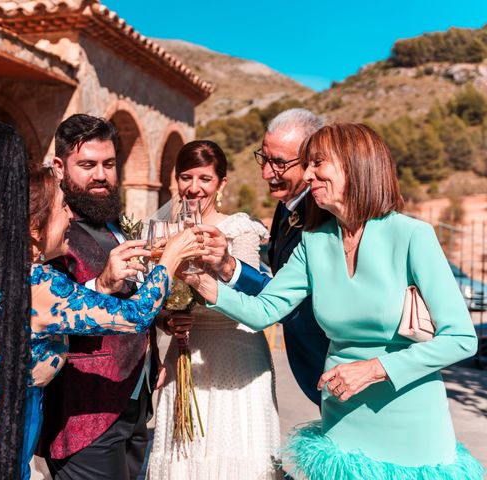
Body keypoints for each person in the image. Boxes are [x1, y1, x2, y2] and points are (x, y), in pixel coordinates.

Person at [188, 123, 484, 479]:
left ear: (355, 165)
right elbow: (264, 310)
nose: (308, 174)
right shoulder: (313, 242)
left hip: (410, 416)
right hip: (342, 416)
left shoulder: (412, 236)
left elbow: (461, 339)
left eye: (318, 163)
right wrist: (201, 283)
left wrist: (376, 368)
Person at [21, 166, 203, 479]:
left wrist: (105, 284)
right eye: (62, 207)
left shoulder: (2, 274)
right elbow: (136, 316)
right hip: (14, 423)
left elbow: (100, 311)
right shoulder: (39, 285)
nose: (70, 216)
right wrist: (169, 259)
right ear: (35, 229)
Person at [148, 140, 280, 479]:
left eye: (205, 179)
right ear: (175, 180)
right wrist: (167, 320)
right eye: (186, 177)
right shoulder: (160, 232)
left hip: (236, 353)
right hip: (184, 356)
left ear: (221, 183)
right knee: (184, 459)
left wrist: (210, 281)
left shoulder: (239, 230)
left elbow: (254, 300)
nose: (194, 188)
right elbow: (152, 302)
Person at [40, 114, 158, 480]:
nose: (101, 175)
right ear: (59, 167)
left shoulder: (114, 223)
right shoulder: (50, 233)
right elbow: (48, 310)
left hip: (136, 399)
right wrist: (101, 286)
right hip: (84, 414)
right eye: (87, 165)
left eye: (108, 164)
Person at [214, 109, 329, 406]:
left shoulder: (325, 216)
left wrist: (228, 268)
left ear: (312, 161)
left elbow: (288, 301)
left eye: (279, 163)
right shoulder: (286, 207)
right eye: (264, 159)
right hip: (312, 366)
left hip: (331, 363)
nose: (266, 173)